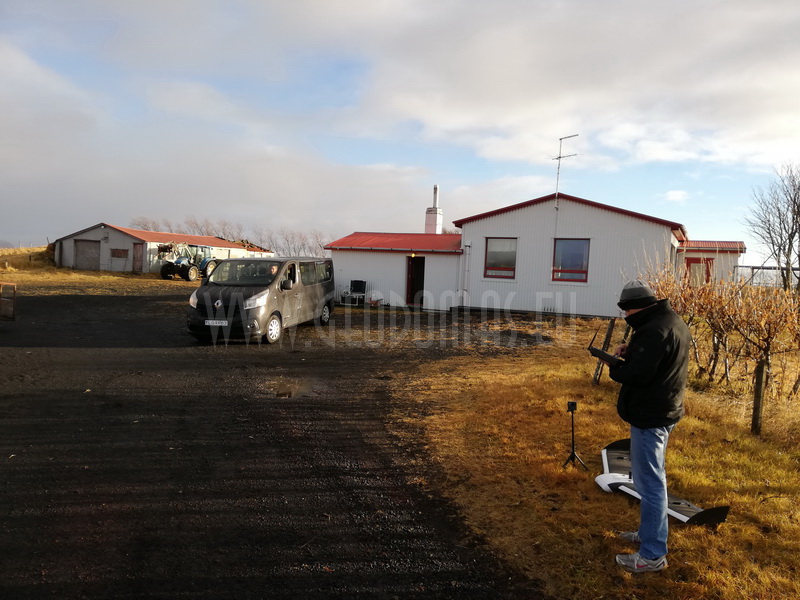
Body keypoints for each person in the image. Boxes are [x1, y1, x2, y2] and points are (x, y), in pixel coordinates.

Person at [604, 280, 691, 573]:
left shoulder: (653, 331)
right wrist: (634, 350)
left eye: (627, 311)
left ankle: (653, 554)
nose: (626, 316)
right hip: (665, 409)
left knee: (650, 485)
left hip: (650, 416)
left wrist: (616, 363)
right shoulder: (671, 321)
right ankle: (648, 533)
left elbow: (636, 375)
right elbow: (656, 362)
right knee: (650, 480)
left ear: (635, 308)